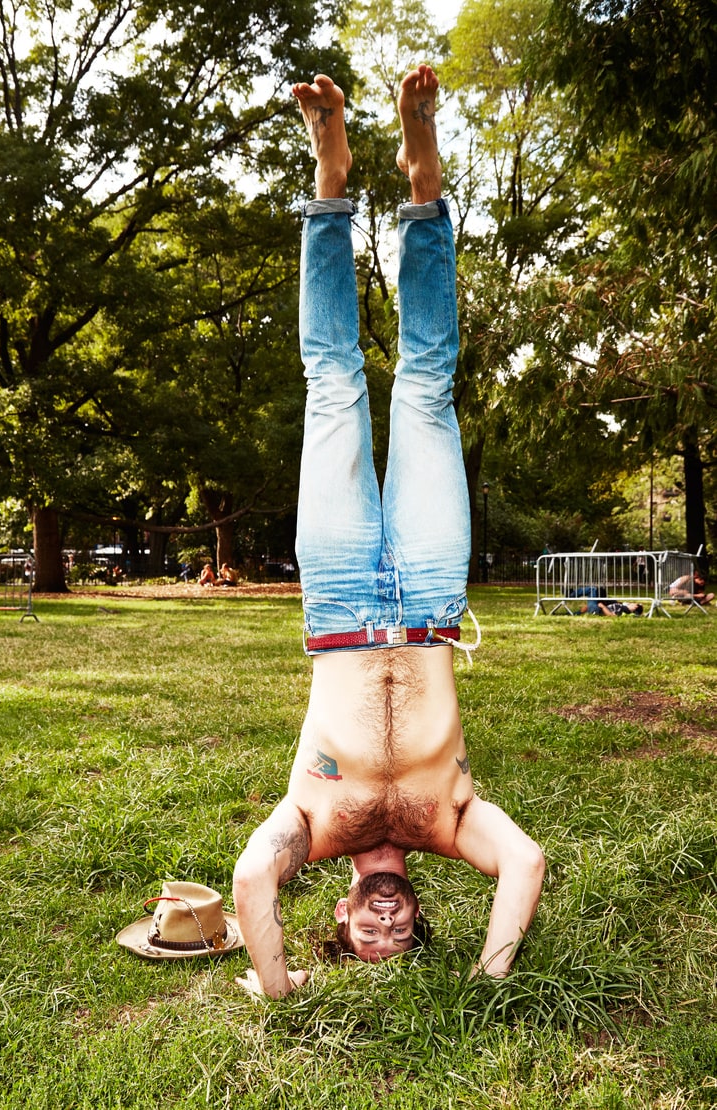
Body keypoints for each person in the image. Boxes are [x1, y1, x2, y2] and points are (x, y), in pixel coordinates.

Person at [232, 66, 545, 999]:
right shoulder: (452, 823)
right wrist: (490, 984)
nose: (383, 929)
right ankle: (423, 185)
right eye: (399, 943)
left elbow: (251, 881)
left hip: (334, 598)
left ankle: (328, 181)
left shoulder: (312, 825)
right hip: (433, 591)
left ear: (333, 913)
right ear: (416, 920)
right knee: (426, 383)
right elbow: (522, 867)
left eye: (363, 941)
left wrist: (276, 988)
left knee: (331, 383)